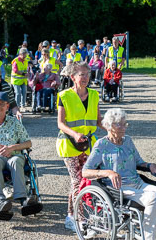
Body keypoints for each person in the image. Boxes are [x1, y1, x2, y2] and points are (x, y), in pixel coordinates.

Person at [83, 108, 156, 240]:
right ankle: (148, 237)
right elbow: (85, 171)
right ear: (109, 126)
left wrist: (151, 166)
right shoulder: (102, 145)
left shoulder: (127, 140)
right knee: (153, 198)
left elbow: (139, 162)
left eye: (125, 124)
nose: (124, 127)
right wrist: (108, 172)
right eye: (119, 124)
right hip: (118, 189)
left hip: (137, 184)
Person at [56, 61, 103, 232]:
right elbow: (60, 123)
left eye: (87, 74)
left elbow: (98, 120)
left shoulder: (94, 95)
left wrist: (113, 128)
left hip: (88, 144)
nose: (85, 78)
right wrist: (75, 134)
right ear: (72, 77)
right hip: (69, 144)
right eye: (81, 74)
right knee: (77, 181)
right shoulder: (64, 96)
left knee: (85, 181)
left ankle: (70, 214)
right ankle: (79, 218)